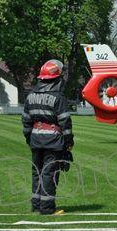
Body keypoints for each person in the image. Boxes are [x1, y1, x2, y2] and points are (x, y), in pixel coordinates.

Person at [21, 59, 73, 215]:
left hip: (35, 139)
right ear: (57, 79)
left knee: (36, 172)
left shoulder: (30, 96)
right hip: (53, 141)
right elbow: (65, 122)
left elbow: (26, 120)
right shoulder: (58, 97)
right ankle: (47, 208)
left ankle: (36, 205)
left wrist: (29, 138)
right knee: (49, 173)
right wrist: (69, 142)